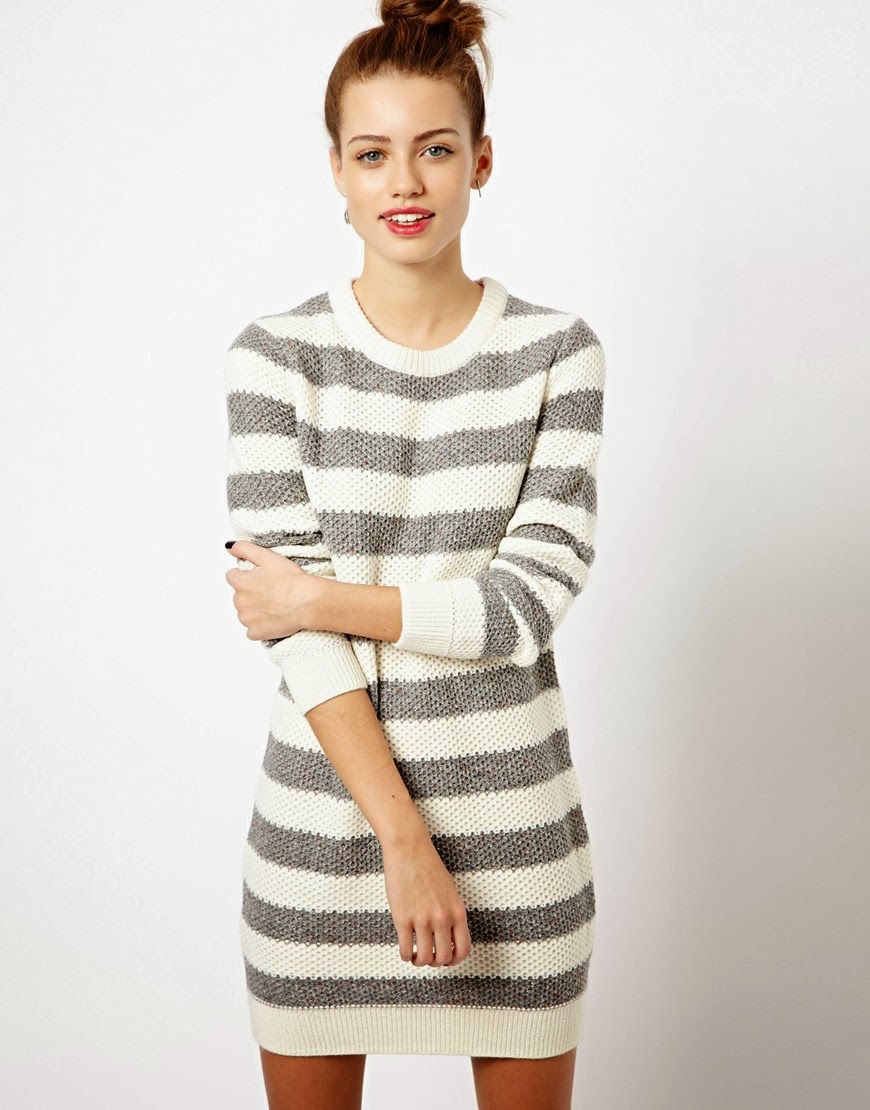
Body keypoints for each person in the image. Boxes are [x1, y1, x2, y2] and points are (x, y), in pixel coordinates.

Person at [222, 2, 606, 1107]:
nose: (405, 182)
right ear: (336, 173)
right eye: (372, 154)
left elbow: (521, 610)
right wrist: (403, 841)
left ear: (480, 161)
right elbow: (297, 643)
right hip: (322, 845)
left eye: (435, 149)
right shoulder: (276, 358)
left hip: (517, 845)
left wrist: (320, 597)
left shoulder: (555, 353)